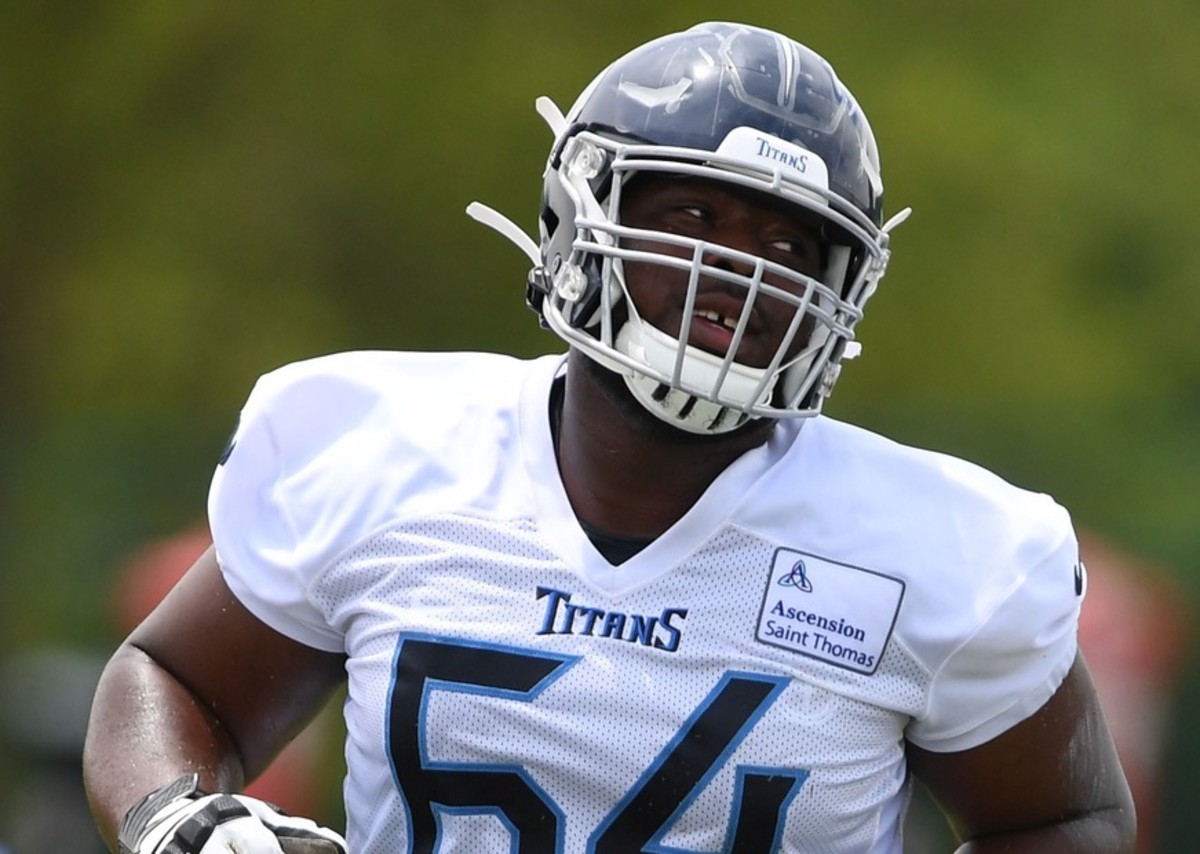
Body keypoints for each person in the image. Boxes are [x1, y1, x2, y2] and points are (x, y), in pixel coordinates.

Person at [82, 21, 1136, 853]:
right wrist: (181, 821)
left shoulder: (941, 549)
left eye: (786, 242)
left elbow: (1065, 816)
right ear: (582, 223)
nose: (738, 272)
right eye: (692, 220)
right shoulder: (381, 453)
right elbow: (175, 680)